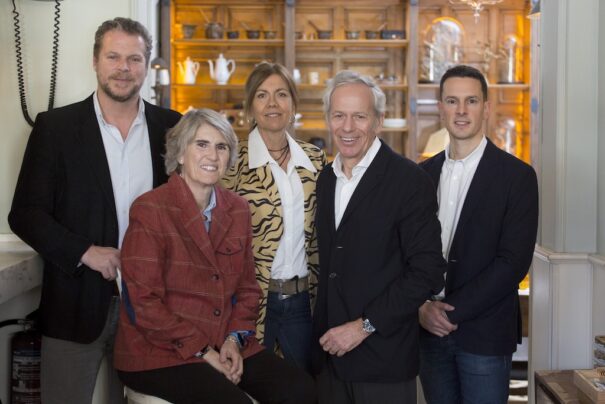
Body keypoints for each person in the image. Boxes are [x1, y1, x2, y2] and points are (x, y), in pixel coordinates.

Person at [8, 17, 181, 404]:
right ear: (95, 61)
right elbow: (25, 213)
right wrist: (85, 251)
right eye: (114, 56)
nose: (124, 68)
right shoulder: (55, 128)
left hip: (151, 307)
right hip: (73, 304)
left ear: (147, 63)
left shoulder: (172, 128)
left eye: (134, 58)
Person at [113, 109, 316, 404]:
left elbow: (247, 289)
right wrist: (204, 352)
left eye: (221, 147)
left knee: (301, 391)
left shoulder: (237, 209)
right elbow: (144, 302)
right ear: (180, 154)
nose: (212, 155)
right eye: (201, 144)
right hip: (158, 353)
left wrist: (234, 341)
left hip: (224, 342)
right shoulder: (150, 209)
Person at [311, 70, 446, 403]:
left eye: (359, 116)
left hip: (383, 360)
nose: (347, 127)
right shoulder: (326, 180)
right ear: (328, 119)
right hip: (329, 360)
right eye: (339, 115)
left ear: (378, 121)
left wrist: (363, 326)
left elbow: (427, 271)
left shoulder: (408, 180)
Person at [418, 64, 539, 404]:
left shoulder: (517, 177)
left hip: (484, 334)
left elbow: (512, 263)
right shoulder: (420, 176)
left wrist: (446, 313)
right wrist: (421, 309)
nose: (461, 111)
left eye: (471, 101)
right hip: (427, 332)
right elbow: (405, 252)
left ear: (486, 107)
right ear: (440, 107)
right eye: (452, 101)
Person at [222, 62, 326, 372]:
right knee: (253, 385)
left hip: (304, 301)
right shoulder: (231, 160)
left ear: (293, 104)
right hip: (251, 301)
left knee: (305, 390)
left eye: (281, 94)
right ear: (250, 106)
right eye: (262, 95)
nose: (272, 103)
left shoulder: (316, 160)